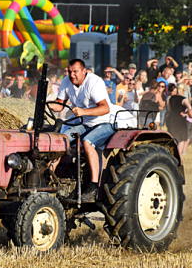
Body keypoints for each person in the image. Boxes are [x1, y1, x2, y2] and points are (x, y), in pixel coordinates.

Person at [48, 59, 135, 202]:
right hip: (84, 121)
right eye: (70, 71)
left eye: (75, 72)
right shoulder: (66, 81)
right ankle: (48, 178)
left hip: (105, 121)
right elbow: (59, 105)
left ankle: (94, 187)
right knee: (61, 140)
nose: (72, 75)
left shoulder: (94, 83)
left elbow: (105, 108)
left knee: (87, 142)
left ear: (84, 71)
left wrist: (83, 111)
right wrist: (47, 105)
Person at [165, 83, 192, 155]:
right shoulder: (184, 99)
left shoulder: (171, 98)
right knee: (181, 139)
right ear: (184, 90)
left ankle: (172, 153)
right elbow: (190, 108)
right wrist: (186, 113)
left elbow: (168, 109)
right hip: (180, 119)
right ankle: (179, 154)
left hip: (171, 118)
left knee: (173, 137)